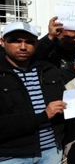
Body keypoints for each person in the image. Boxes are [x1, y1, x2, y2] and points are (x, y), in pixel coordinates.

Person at [0, 22, 66, 163]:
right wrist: (43, 116)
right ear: (2, 42)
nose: (23, 47)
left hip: (51, 152)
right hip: (12, 156)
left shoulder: (49, 70)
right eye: (16, 41)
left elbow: (65, 103)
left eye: (29, 42)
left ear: (36, 44)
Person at [36, 16, 75, 83]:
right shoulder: (50, 49)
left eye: (74, 38)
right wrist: (50, 36)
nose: (70, 41)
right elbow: (36, 53)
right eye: (66, 37)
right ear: (58, 35)